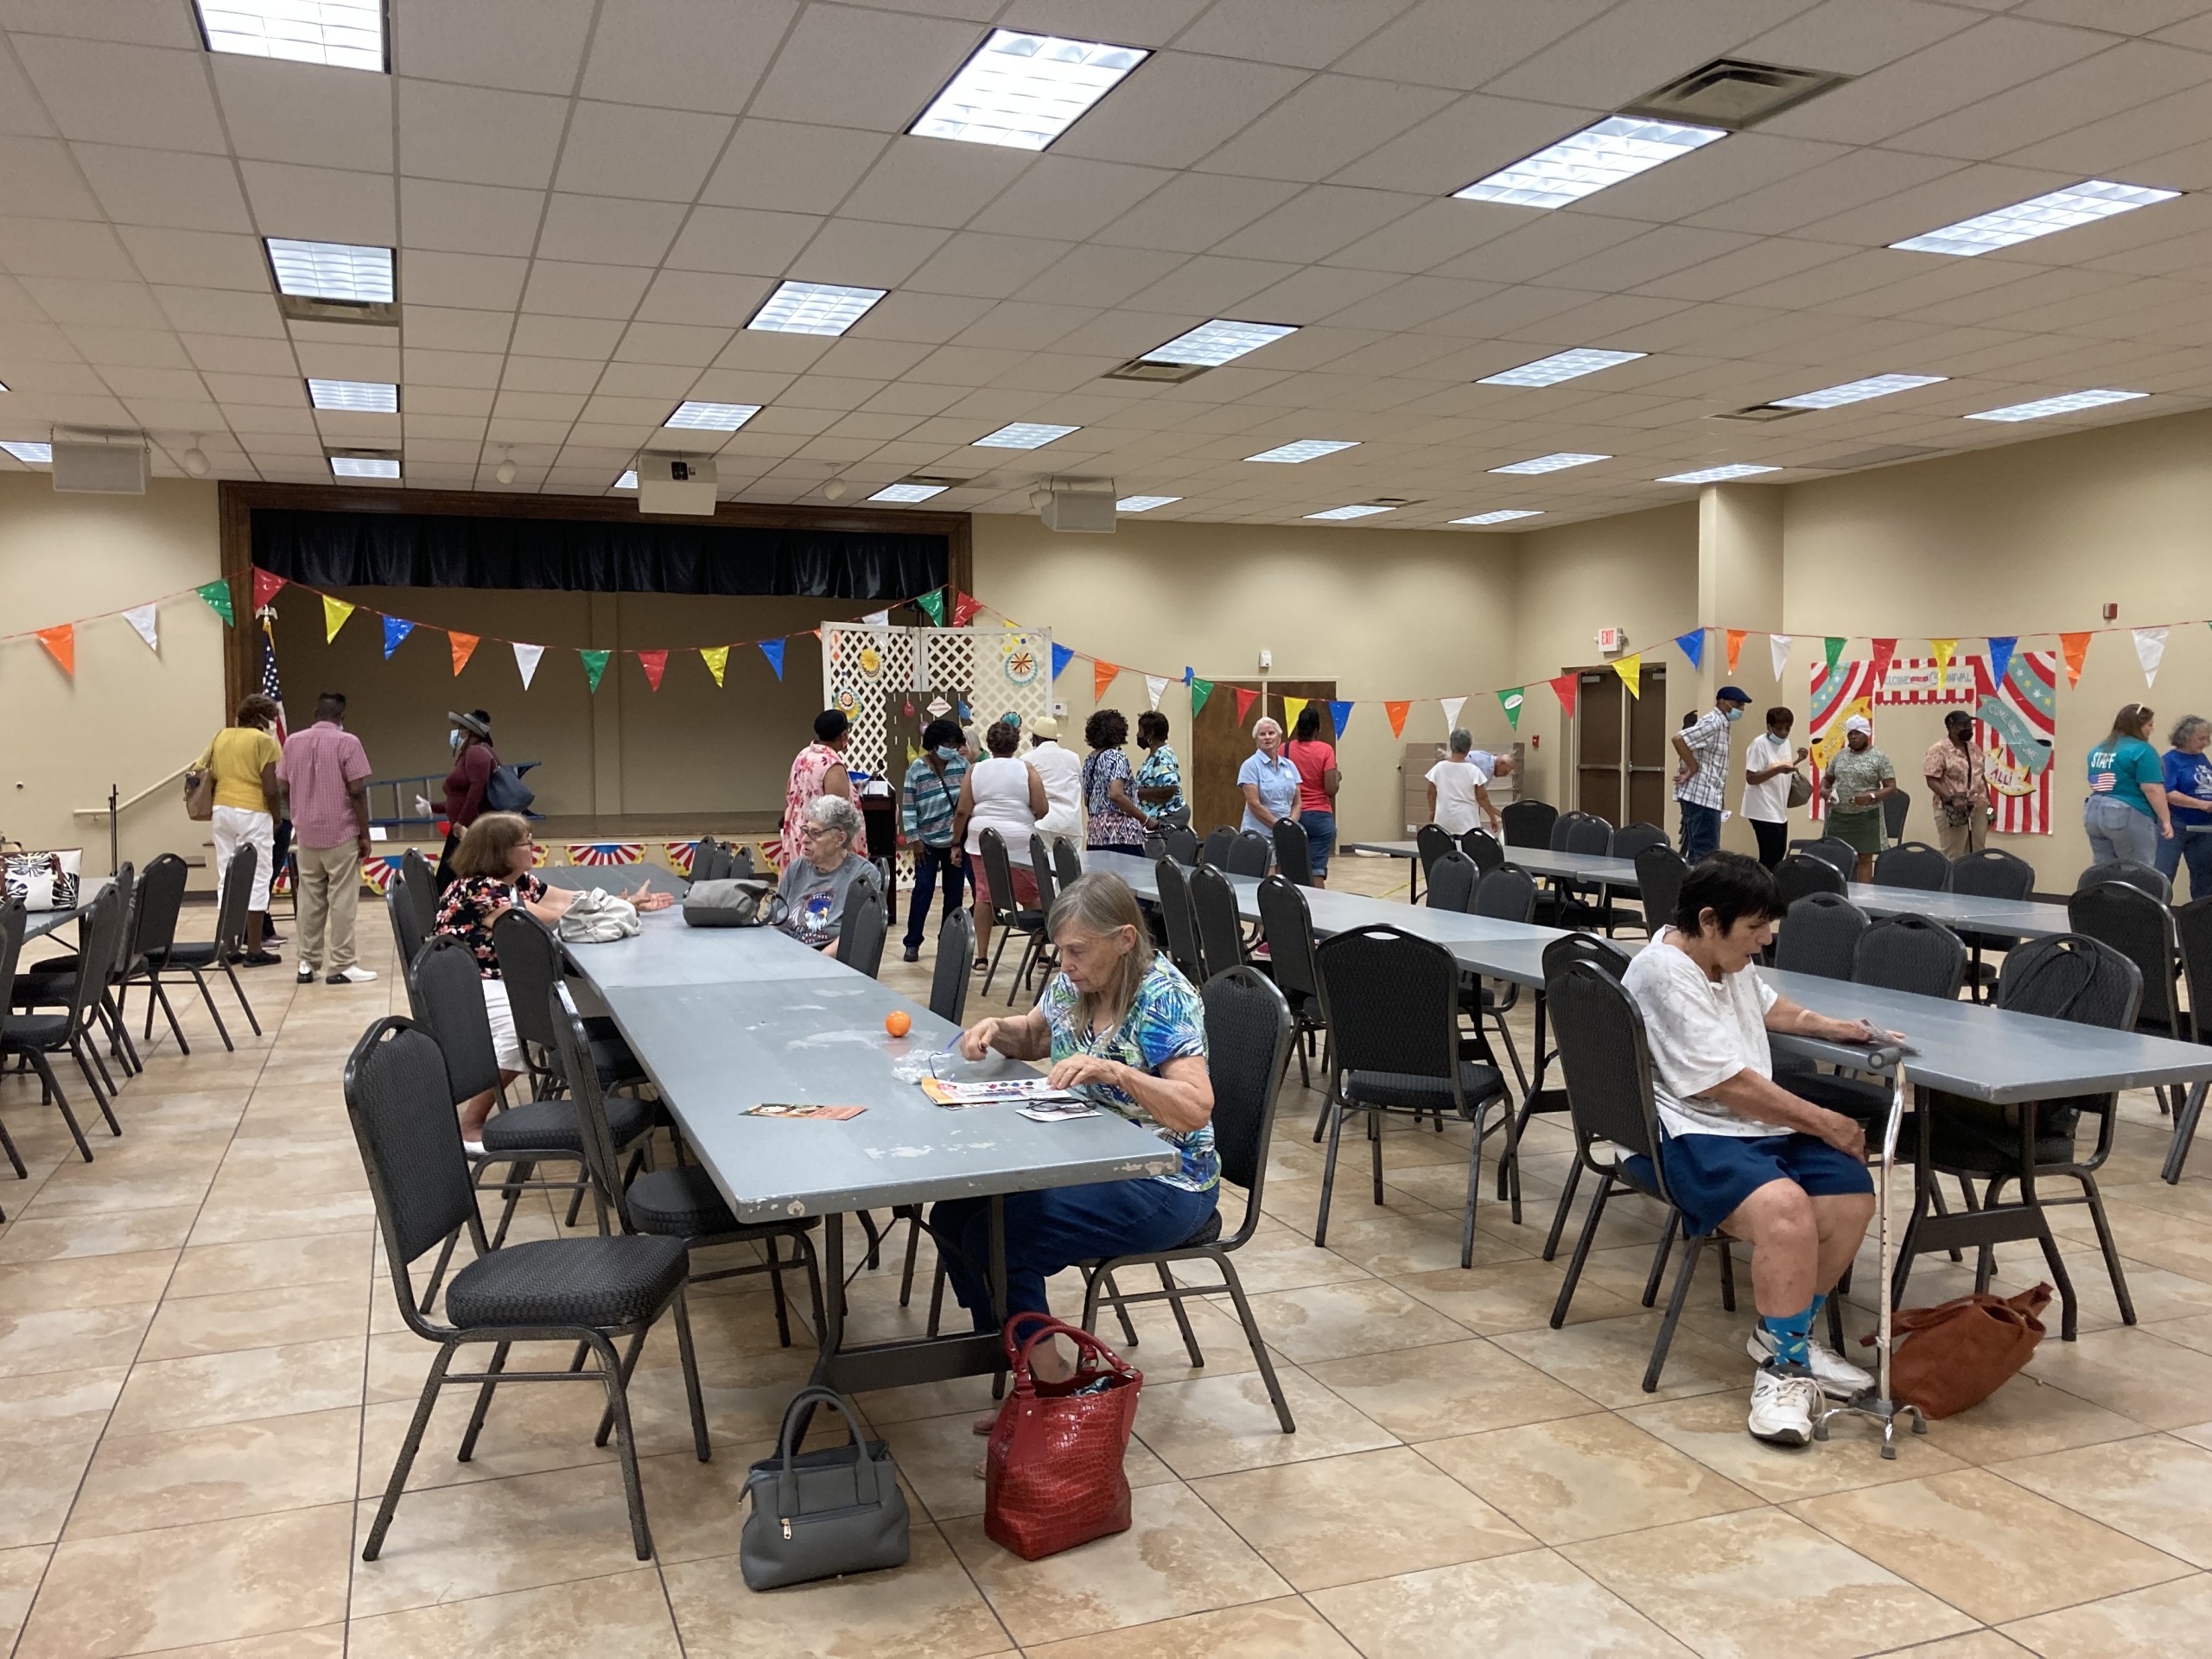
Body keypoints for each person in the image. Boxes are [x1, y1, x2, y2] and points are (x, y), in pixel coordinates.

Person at [1620, 853, 1897, 1446]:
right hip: (1693, 1130)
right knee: (1787, 1213)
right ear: (1710, 919)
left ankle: (1783, 1333)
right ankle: (1784, 1372)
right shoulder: (1665, 972)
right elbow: (1726, 1084)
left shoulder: (1725, 958)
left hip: (1752, 1126)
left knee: (1851, 1195)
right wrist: (1825, 1120)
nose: (1765, 941)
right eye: (1755, 930)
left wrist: (1833, 1027)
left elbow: (1769, 1006)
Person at [935, 874, 1214, 1407]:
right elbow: (1039, 1035)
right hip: (1087, 1157)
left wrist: (1117, 1074)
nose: (1065, 963)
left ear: (1125, 939)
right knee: (953, 1214)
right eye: (1060, 949)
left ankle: (1054, 1384)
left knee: (1000, 1238)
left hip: (1167, 1180)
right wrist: (996, 1028)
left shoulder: (1162, 997)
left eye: (1078, 951)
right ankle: (1018, 1359)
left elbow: (1195, 1105)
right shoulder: (1075, 981)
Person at [435, 811, 671, 1146]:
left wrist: (625, 902)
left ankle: (602, 1083)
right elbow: (551, 918)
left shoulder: (516, 881)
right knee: (523, 1032)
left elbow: (567, 900)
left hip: (503, 975)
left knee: (599, 1000)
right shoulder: (480, 890)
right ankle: (471, 1122)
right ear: (500, 851)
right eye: (526, 843)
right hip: (472, 984)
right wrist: (620, 911)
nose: (534, 847)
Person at [277, 691, 376, 985]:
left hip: (306, 833)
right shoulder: (348, 742)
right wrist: (364, 834)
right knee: (342, 898)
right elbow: (357, 791)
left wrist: (299, 808)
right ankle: (342, 964)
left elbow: (283, 784)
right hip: (341, 831)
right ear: (341, 717)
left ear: (315, 713)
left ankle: (307, 963)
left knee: (309, 898)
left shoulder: (292, 741)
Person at [194, 694, 283, 965]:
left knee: (227, 875)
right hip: (253, 812)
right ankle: (254, 949)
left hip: (222, 811)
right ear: (258, 718)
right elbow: (270, 787)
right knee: (258, 876)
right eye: (269, 718)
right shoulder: (263, 741)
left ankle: (229, 947)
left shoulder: (220, 737)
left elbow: (198, 769)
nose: (270, 724)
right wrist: (277, 818)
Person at [957, 718, 1048, 972]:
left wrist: (955, 842)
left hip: (982, 841)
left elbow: (963, 810)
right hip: (1020, 840)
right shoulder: (1026, 769)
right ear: (1016, 743)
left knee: (983, 896)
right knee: (1032, 895)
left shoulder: (975, 770)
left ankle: (982, 958)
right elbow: (1042, 807)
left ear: (989, 744)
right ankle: (1041, 955)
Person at [898, 718, 969, 963]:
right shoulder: (916, 769)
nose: (951, 747)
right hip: (926, 842)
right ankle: (912, 943)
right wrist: (914, 840)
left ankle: (947, 942)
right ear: (933, 744)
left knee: (954, 895)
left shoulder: (963, 765)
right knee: (922, 891)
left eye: (954, 742)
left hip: (955, 842)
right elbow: (908, 807)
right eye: (946, 743)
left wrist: (958, 840)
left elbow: (968, 803)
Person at [778, 795, 881, 953]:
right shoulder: (797, 868)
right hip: (786, 954)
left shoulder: (863, 875)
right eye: (805, 831)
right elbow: (774, 919)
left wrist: (817, 962)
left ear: (840, 839)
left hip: (826, 962)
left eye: (815, 833)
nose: (804, 839)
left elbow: (856, 934)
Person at [2085, 702, 2173, 868]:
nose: (2151, 730)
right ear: (2137, 726)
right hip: (2126, 811)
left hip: (2093, 811)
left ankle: (2102, 893)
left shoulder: (2098, 750)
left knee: (2103, 868)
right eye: (2149, 725)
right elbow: (2152, 789)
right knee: (2136, 870)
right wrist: (2166, 820)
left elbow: (2094, 781)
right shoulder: (2142, 750)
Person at [1674, 685, 1752, 864]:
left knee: (1701, 853)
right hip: (1701, 797)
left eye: (1743, 706)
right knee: (1705, 854)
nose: (1741, 709)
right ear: (1722, 702)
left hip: (1709, 796)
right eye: (1738, 704)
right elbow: (1679, 739)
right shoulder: (1713, 723)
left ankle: (1695, 888)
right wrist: (1693, 767)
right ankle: (1700, 890)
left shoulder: (1723, 725)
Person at [780, 709, 865, 869]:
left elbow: (789, 793)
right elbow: (838, 816)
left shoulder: (803, 755)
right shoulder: (832, 765)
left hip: (798, 836)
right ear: (843, 735)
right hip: (821, 846)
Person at [1822, 715, 1896, 883]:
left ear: (1867, 734)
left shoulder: (1879, 757)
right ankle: (1838, 893)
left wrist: (1872, 796)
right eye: (1850, 733)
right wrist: (1824, 791)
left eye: (1857, 733)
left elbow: (1891, 787)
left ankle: (1863, 899)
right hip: (1840, 816)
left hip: (1866, 816)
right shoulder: (1840, 756)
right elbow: (1828, 779)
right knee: (1838, 856)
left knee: (1864, 859)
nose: (1853, 737)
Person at [436, 709, 498, 888]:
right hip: (465, 826)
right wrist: (432, 807)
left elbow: (477, 789)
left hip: (468, 829)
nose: (457, 733)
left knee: (448, 880)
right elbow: (461, 796)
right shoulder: (472, 753)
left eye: (461, 729)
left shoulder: (476, 753)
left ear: (470, 732)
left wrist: (462, 822)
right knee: (451, 878)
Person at [1741, 708, 1806, 869]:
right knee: (1771, 854)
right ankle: (1762, 889)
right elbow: (1751, 778)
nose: (1784, 733)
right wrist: (1777, 770)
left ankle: (1769, 887)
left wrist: (1798, 760)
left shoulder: (1786, 743)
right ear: (1769, 726)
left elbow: (1782, 769)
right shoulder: (1759, 745)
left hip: (1778, 806)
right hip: (1761, 807)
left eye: (1787, 728)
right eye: (1779, 729)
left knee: (1779, 853)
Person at [1284, 705, 1341, 885]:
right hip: (1320, 817)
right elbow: (1331, 789)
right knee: (1316, 870)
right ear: (1317, 729)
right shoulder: (1325, 750)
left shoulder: (1284, 750)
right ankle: (1318, 910)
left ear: (1298, 727)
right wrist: (1337, 777)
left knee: (1290, 868)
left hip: (1292, 816)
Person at [1922, 709, 1990, 859]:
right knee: (1953, 855)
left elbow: (1980, 776)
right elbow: (1932, 780)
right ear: (1951, 727)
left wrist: (1989, 804)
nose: (1968, 728)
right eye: (1963, 725)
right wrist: (1952, 798)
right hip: (1953, 809)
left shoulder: (1974, 748)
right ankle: (1951, 882)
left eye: (1969, 725)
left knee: (1977, 852)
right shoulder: (1939, 749)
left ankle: (1971, 882)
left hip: (1978, 808)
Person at [1082, 709, 1150, 852]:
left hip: (1096, 834)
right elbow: (1116, 794)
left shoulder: (1090, 759)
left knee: (1100, 875)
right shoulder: (1116, 756)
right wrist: (1145, 819)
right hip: (1121, 835)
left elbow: (1087, 800)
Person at [2159, 715, 2212, 899]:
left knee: (2205, 878)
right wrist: (2201, 804)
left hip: (2205, 827)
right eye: (2201, 738)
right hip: (2177, 824)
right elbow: (2168, 793)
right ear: (2186, 737)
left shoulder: (2202, 759)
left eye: (2208, 738)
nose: (2206, 742)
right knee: (2164, 874)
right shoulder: (2170, 760)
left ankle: (2202, 920)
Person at [1236, 715, 1300, 838]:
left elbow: (1297, 803)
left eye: (1271, 733)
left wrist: (1291, 823)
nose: (1267, 737)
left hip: (1286, 834)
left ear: (1279, 738)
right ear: (1256, 740)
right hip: (1258, 836)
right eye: (1262, 734)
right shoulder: (1250, 766)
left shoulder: (1290, 766)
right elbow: (1254, 804)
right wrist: (1278, 826)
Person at [1426, 729, 1497, 836]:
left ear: (1451, 745)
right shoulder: (1474, 771)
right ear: (1468, 748)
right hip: (1467, 824)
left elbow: (1431, 792)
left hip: (1444, 823)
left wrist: (1432, 811)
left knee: (1447, 852)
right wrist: (1492, 816)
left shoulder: (1439, 768)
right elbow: (1482, 798)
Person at [1027, 715, 1085, 842]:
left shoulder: (1028, 759)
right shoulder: (1073, 757)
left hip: (1044, 823)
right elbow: (1080, 787)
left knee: (1046, 861)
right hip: (1071, 824)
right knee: (1072, 862)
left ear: (1035, 738)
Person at [1133, 710, 1185, 829]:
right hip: (1157, 814)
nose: (1137, 735)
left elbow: (1169, 789)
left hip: (1167, 815)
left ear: (1150, 734)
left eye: (1140, 731)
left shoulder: (1162, 756)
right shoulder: (1155, 754)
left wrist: (1137, 792)